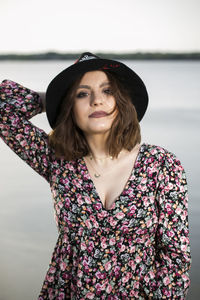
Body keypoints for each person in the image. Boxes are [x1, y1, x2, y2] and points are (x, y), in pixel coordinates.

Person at [0, 52, 191, 299]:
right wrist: (54, 99)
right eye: (82, 94)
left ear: (122, 101)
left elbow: (176, 260)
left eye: (108, 91)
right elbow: (3, 109)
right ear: (70, 107)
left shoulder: (161, 165)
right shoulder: (57, 161)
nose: (96, 101)